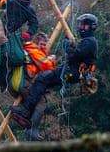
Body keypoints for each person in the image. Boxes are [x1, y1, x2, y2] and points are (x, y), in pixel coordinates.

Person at [10, 13, 99, 141]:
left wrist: (68, 46)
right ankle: (30, 122)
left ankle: (25, 110)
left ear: (90, 27)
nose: (80, 27)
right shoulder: (87, 41)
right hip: (71, 71)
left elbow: (75, 54)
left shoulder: (90, 42)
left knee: (43, 78)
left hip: (72, 72)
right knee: (41, 84)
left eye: (82, 25)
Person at [9, 32, 57, 141]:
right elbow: (48, 68)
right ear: (36, 42)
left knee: (31, 102)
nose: (43, 46)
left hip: (14, 82)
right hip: (23, 83)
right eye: (42, 44)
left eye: (45, 45)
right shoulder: (34, 51)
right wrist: (52, 60)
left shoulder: (26, 48)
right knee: (41, 101)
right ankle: (33, 129)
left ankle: (22, 118)